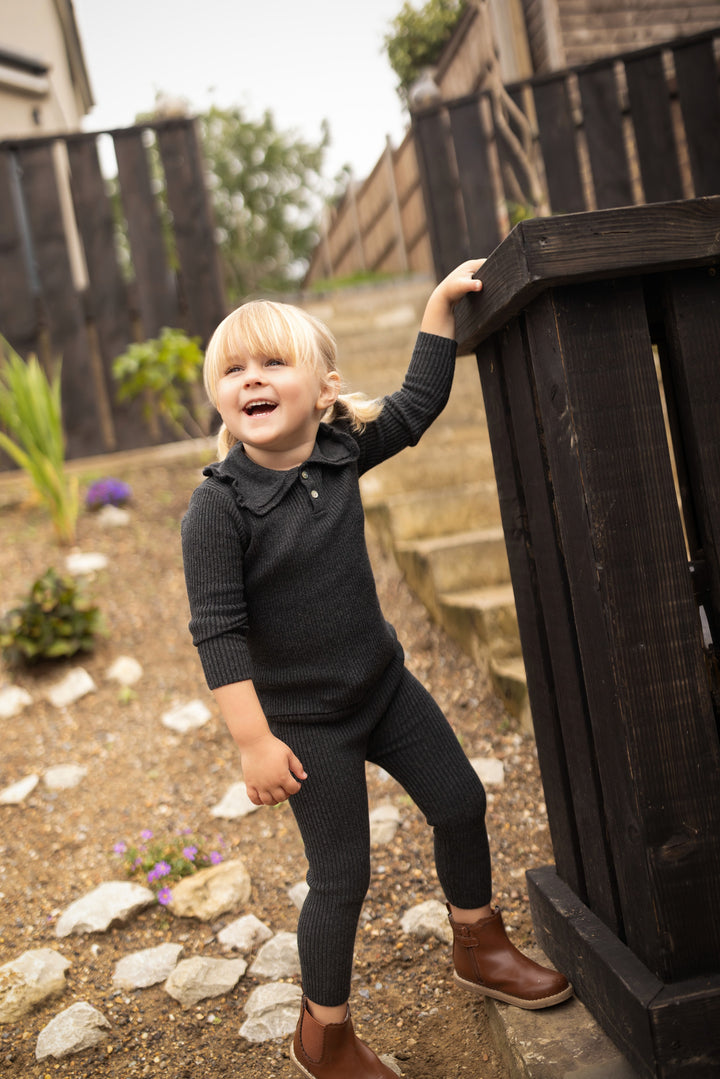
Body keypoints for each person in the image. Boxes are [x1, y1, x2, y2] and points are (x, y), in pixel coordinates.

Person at [181, 261, 572, 1078]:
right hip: (306, 723)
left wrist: (437, 311)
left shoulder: (339, 452)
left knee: (461, 799)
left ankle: (478, 941)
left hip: (383, 686)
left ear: (323, 389)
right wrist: (253, 741)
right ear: (220, 396)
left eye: (272, 363)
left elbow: (419, 404)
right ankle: (324, 1034)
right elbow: (217, 630)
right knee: (342, 877)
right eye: (233, 368)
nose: (251, 378)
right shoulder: (217, 507)